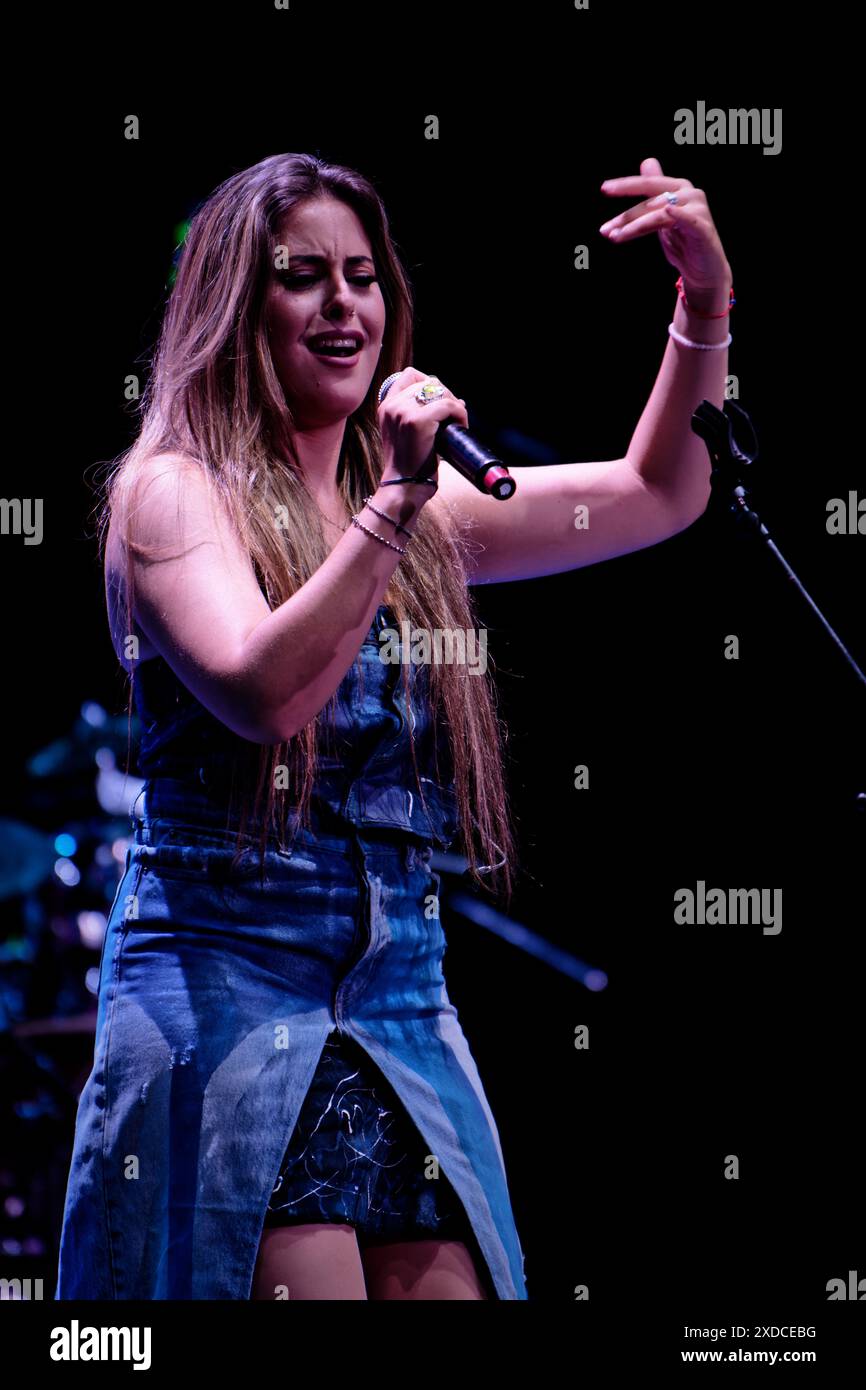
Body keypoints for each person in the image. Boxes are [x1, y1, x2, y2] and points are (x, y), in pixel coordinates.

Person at [55, 150, 733, 1301]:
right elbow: (261, 691)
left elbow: (660, 490)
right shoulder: (175, 492)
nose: (343, 304)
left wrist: (702, 308)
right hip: (230, 1006)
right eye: (301, 276)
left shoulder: (412, 516)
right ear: (234, 302)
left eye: (362, 276)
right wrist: (392, 504)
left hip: (400, 1014)